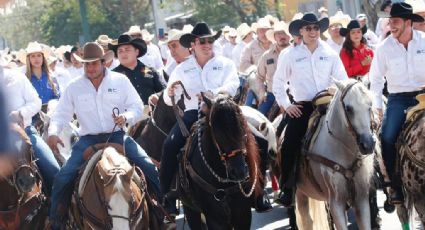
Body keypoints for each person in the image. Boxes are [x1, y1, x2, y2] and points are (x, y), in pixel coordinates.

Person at [47, 43, 162, 228]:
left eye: (94, 64)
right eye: (87, 64)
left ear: (103, 63)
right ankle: (57, 222)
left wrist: (126, 117)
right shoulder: (74, 87)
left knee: (149, 168)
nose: (90, 68)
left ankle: (160, 214)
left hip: (116, 135)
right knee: (63, 177)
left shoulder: (120, 81)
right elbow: (61, 114)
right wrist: (52, 133)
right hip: (87, 140)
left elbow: (136, 105)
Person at [159, 22, 240, 216]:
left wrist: (214, 94)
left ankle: (257, 190)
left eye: (210, 40)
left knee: (255, 138)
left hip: (223, 112)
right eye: (202, 41)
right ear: (192, 45)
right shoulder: (182, 68)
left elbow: (234, 83)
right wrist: (169, 93)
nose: (206, 44)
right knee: (169, 145)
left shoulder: (224, 63)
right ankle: (167, 195)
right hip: (191, 114)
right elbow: (168, 99)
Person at [273, 13, 348, 207]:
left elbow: (342, 77)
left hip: (330, 104)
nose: (313, 32)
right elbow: (278, 83)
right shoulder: (289, 55)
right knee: (289, 143)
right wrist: (287, 105)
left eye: (315, 28)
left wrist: (336, 87)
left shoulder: (330, 52)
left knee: (357, 133)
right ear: (301, 31)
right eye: (308, 28)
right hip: (304, 107)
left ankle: (366, 183)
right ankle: (287, 188)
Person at [370, 2, 425, 204]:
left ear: (408, 22)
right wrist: (377, 107)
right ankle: (394, 185)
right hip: (399, 98)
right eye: (389, 21)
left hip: (424, 93)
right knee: (387, 137)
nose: (391, 25)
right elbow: (375, 80)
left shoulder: (424, 41)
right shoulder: (384, 48)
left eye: (395, 21)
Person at [3, 63, 60, 195]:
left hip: (26, 132)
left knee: (53, 170)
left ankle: (57, 211)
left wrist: (20, 113)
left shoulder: (18, 78)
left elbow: (36, 102)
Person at [111, 34, 164, 107]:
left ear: (136, 52)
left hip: (151, 115)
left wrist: (157, 96)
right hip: (127, 117)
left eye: (127, 50)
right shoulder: (113, 75)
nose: (123, 53)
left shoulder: (147, 70)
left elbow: (163, 91)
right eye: (120, 51)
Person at [255, 21, 291, 116]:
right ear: (274, 37)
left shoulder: (297, 53)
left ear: (289, 36)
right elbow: (259, 77)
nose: (281, 36)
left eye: (284, 33)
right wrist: (262, 92)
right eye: (278, 34)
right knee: (259, 118)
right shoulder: (266, 56)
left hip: (294, 94)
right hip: (272, 94)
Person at [23, 41, 60, 105]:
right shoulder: (24, 79)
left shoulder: (52, 77)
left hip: (51, 113)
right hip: (32, 114)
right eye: (33, 56)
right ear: (29, 59)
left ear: (43, 58)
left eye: (39, 55)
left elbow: (58, 98)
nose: (36, 59)